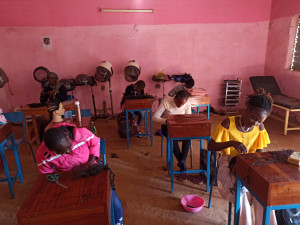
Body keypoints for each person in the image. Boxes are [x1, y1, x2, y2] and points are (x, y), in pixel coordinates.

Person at [207, 88, 277, 225]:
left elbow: (259, 153)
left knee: (264, 191)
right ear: (247, 110)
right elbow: (211, 146)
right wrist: (232, 143)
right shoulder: (228, 123)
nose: (255, 123)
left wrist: (253, 165)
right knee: (241, 192)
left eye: (259, 121)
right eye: (253, 118)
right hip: (227, 163)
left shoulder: (260, 128)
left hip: (250, 163)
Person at [36, 124, 123, 225]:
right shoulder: (42, 154)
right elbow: (46, 176)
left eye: (69, 147)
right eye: (63, 152)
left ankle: (118, 222)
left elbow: (95, 143)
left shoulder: (82, 133)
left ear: (67, 136)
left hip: (91, 169)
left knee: (114, 203)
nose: (69, 151)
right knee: (72, 209)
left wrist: (91, 161)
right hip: (67, 178)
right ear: (53, 150)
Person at [153, 90, 192, 179]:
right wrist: (166, 121)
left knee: (188, 137)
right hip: (167, 126)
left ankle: (182, 162)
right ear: (175, 98)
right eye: (178, 102)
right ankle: (182, 162)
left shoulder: (187, 103)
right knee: (172, 138)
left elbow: (188, 117)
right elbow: (155, 117)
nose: (180, 105)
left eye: (183, 104)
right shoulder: (166, 102)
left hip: (180, 126)